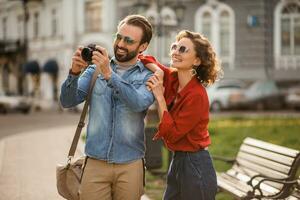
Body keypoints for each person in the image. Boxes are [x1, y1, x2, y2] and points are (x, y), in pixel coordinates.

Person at [60, 15, 155, 200]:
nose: (120, 43)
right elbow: (67, 102)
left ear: (143, 46)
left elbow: (138, 103)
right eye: (119, 37)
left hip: (130, 164)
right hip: (95, 163)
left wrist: (109, 75)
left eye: (129, 40)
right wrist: (73, 72)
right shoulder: (93, 70)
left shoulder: (148, 76)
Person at [139, 30, 223, 200]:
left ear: (197, 60)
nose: (176, 52)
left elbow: (174, 134)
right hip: (178, 160)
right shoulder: (173, 78)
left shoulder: (197, 95)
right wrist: (159, 72)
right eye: (175, 47)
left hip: (196, 164)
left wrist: (160, 97)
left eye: (183, 49)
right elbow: (146, 59)